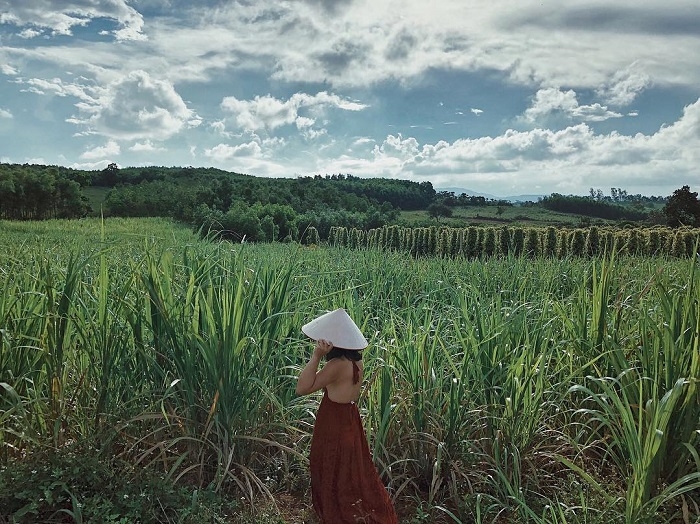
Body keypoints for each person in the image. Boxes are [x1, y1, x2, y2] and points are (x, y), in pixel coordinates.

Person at [296, 308, 398, 524]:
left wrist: (316, 356)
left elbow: (302, 388)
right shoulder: (356, 362)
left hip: (334, 419)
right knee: (351, 468)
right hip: (350, 417)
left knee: (329, 464)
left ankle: (337, 513)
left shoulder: (337, 365)